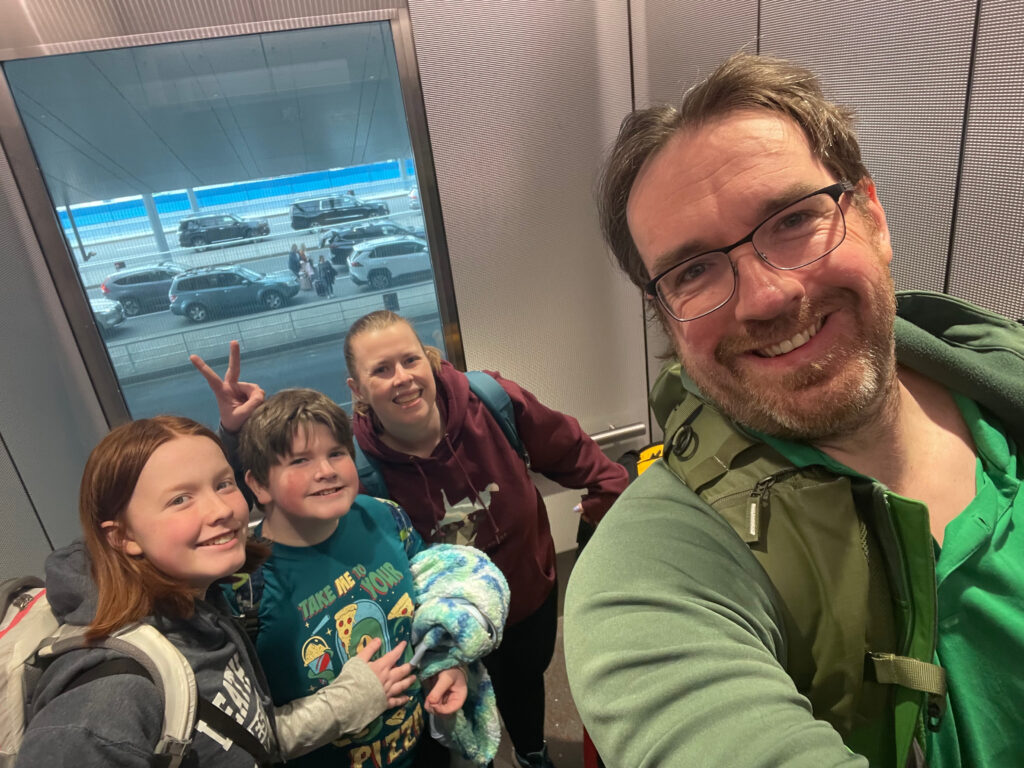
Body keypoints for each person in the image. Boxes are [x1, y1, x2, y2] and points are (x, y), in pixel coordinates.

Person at [563, 52, 1024, 768]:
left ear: (871, 215)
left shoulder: (1003, 385)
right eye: (693, 271)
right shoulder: (649, 577)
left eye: (791, 220)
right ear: (666, 318)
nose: (768, 296)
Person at [191, 316, 630, 768]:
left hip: (524, 596)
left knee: (523, 684)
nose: (401, 378)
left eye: (409, 360)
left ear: (430, 361)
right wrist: (234, 437)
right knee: (453, 702)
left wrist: (611, 492)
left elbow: (566, 445)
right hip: (418, 643)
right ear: (357, 388)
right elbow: (266, 500)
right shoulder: (355, 476)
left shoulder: (491, 401)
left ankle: (531, 753)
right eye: (381, 370)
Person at [17, 416, 417, 767]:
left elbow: (253, 735)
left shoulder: (202, 604)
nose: (221, 510)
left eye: (223, 485)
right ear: (123, 537)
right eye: (180, 499)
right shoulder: (106, 700)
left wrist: (350, 700)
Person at [226, 387, 470, 767]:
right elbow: (246, 728)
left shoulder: (385, 515)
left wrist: (447, 663)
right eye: (300, 460)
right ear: (258, 485)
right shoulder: (244, 583)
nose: (326, 471)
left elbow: (433, 600)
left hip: (422, 746)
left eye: (336, 453)